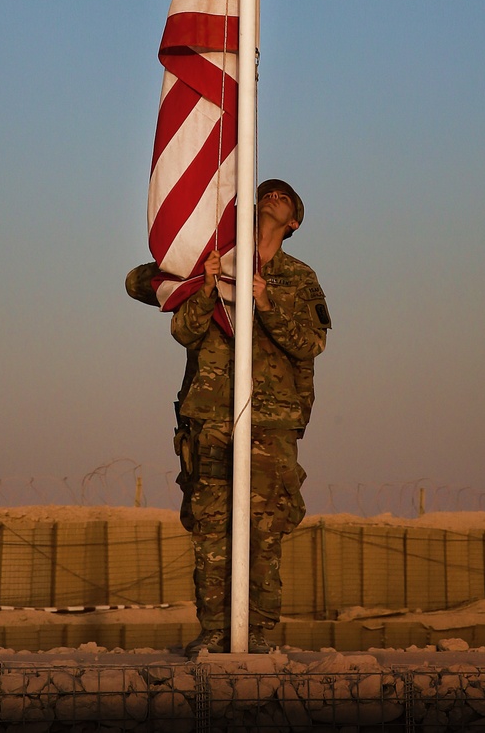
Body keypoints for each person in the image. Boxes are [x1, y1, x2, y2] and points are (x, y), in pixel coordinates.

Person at [126, 179, 330, 656]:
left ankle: (256, 634)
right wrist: (205, 282)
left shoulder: (299, 278)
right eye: (268, 193)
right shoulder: (214, 259)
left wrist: (265, 303)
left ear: (294, 222)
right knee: (212, 530)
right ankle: (215, 630)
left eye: (286, 198)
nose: (275, 198)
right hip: (212, 414)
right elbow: (179, 326)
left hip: (271, 420)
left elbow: (312, 343)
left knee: (264, 531)